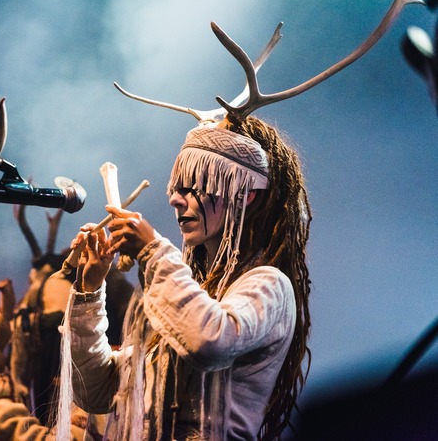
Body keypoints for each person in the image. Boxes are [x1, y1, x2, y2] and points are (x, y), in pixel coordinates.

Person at [65, 115, 312, 440]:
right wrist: (89, 288)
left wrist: (153, 250)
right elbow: (96, 391)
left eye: (197, 186)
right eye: (178, 187)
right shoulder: (181, 303)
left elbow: (210, 340)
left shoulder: (268, 286)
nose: (176, 199)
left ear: (246, 195)